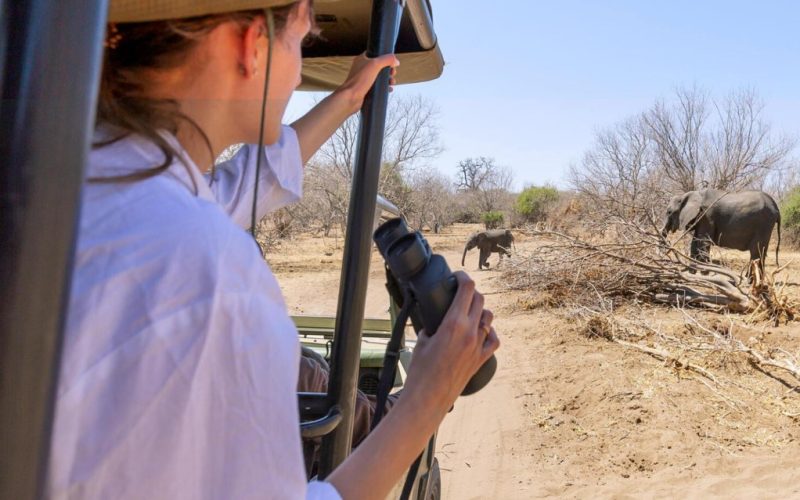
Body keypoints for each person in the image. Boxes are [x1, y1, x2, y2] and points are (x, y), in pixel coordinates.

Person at [48, 1, 499, 499]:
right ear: (250, 46)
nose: (302, 60)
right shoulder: (206, 270)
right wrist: (427, 399)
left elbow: (236, 189)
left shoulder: (76, 187)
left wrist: (348, 97)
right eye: (299, 39)